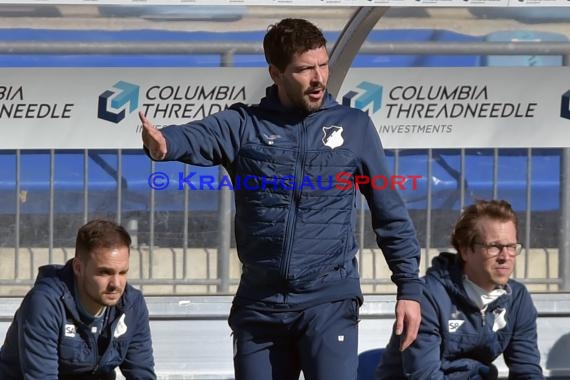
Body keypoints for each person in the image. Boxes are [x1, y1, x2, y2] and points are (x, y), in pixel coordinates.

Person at [139, 18, 421, 380]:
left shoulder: (354, 126)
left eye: (322, 65)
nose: (319, 78)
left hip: (328, 301)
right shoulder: (244, 125)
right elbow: (190, 138)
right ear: (276, 73)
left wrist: (409, 287)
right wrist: (162, 146)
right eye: (305, 69)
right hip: (261, 307)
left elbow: (390, 211)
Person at [376, 199, 544, 379]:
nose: (505, 256)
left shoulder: (517, 298)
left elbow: (527, 370)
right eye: (494, 246)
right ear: (465, 250)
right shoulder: (427, 296)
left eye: (511, 246)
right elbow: (424, 375)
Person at [0, 219, 156, 380]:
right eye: (104, 272)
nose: (116, 284)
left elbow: (142, 374)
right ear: (78, 268)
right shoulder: (45, 304)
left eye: (123, 272)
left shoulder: (131, 305)